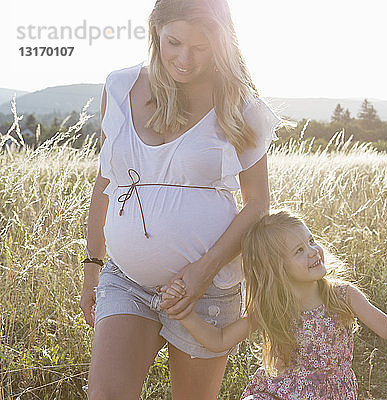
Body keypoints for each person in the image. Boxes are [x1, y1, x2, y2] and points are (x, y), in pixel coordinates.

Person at [77, 0, 282, 398]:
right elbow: (106, 181)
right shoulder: (119, 88)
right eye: (174, 43)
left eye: (200, 48)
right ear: (155, 30)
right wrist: (92, 265)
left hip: (206, 289)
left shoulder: (240, 106)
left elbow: (258, 204)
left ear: (220, 44)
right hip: (126, 280)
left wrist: (203, 271)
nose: (184, 59)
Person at [161, 210, 387, 400]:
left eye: (311, 240)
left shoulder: (342, 296)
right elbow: (219, 340)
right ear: (277, 268)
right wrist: (182, 312)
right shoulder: (273, 308)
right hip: (279, 393)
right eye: (299, 251)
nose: (313, 251)